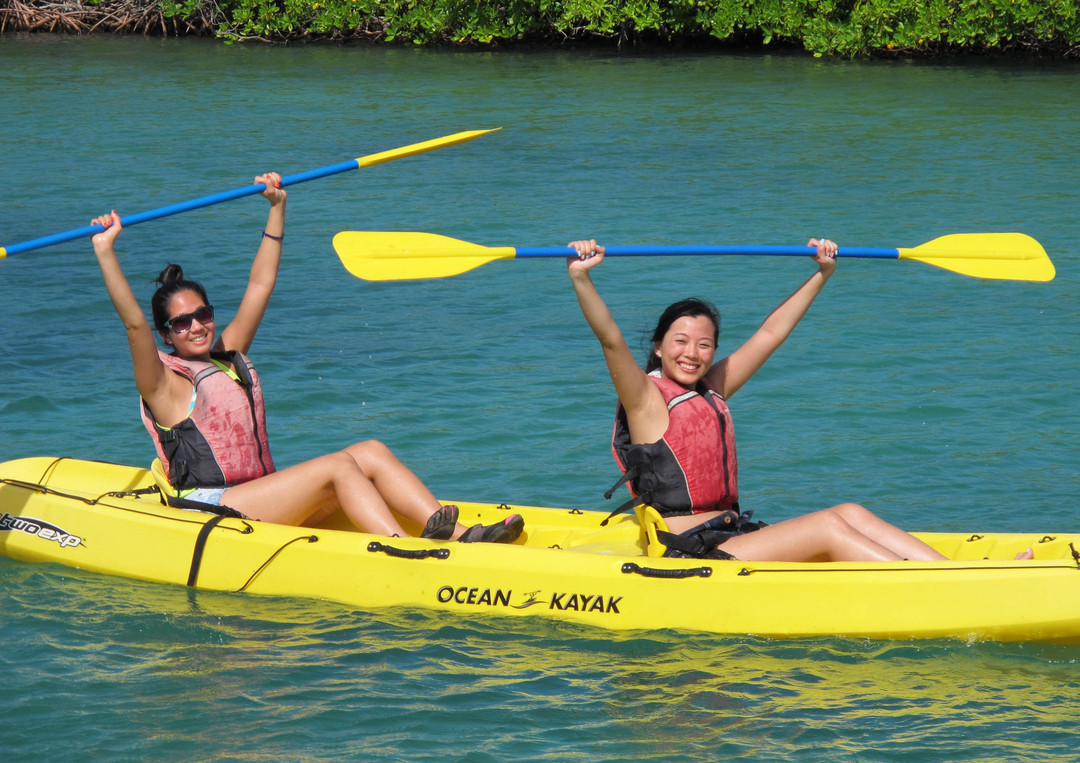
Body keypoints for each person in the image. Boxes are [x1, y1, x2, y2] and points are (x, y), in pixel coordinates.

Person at [88, 172, 522, 543]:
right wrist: (106, 251)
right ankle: (402, 548)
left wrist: (277, 207)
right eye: (182, 323)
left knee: (370, 451)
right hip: (211, 509)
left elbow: (260, 285)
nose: (197, 326)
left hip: (259, 496)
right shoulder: (161, 383)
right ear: (166, 333)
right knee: (338, 466)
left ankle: (458, 533)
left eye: (203, 315)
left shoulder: (227, 356)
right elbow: (134, 325)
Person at [567, 237, 1034, 562]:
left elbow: (771, 333)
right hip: (688, 548)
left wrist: (822, 273)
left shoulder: (711, 389)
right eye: (681, 341)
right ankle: (942, 587)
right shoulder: (646, 400)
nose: (693, 353)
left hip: (729, 533)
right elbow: (610, 339)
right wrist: (582, 277)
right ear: (658, 346)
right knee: (827, 529)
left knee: (849, 512)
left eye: (705, 344)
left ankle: (950, 574)